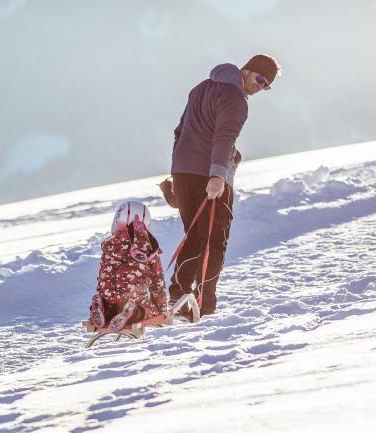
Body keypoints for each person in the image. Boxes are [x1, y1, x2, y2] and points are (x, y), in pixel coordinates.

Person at [167, 53, 281, 317]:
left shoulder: (201, 88)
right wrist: (218, 175)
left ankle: (180, 296)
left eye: (266, 85)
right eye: (260, 79)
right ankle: (205, 305)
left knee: (194, 237)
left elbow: (181, 131)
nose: (259, 87)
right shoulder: (235, 98)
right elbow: (224, 136)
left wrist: (177, 172)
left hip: (184, 174)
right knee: (214, 241)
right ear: (247, 70)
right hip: (209, 176)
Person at [89, 201, 169, 334]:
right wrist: (162, 309)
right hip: (133, 298)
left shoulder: (109, 245)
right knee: (147, 310)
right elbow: (157, 282)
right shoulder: (149, 248)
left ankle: (103, 308)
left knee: (112, 303)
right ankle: (133, 312)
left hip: (109, 298)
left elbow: (102, 275)